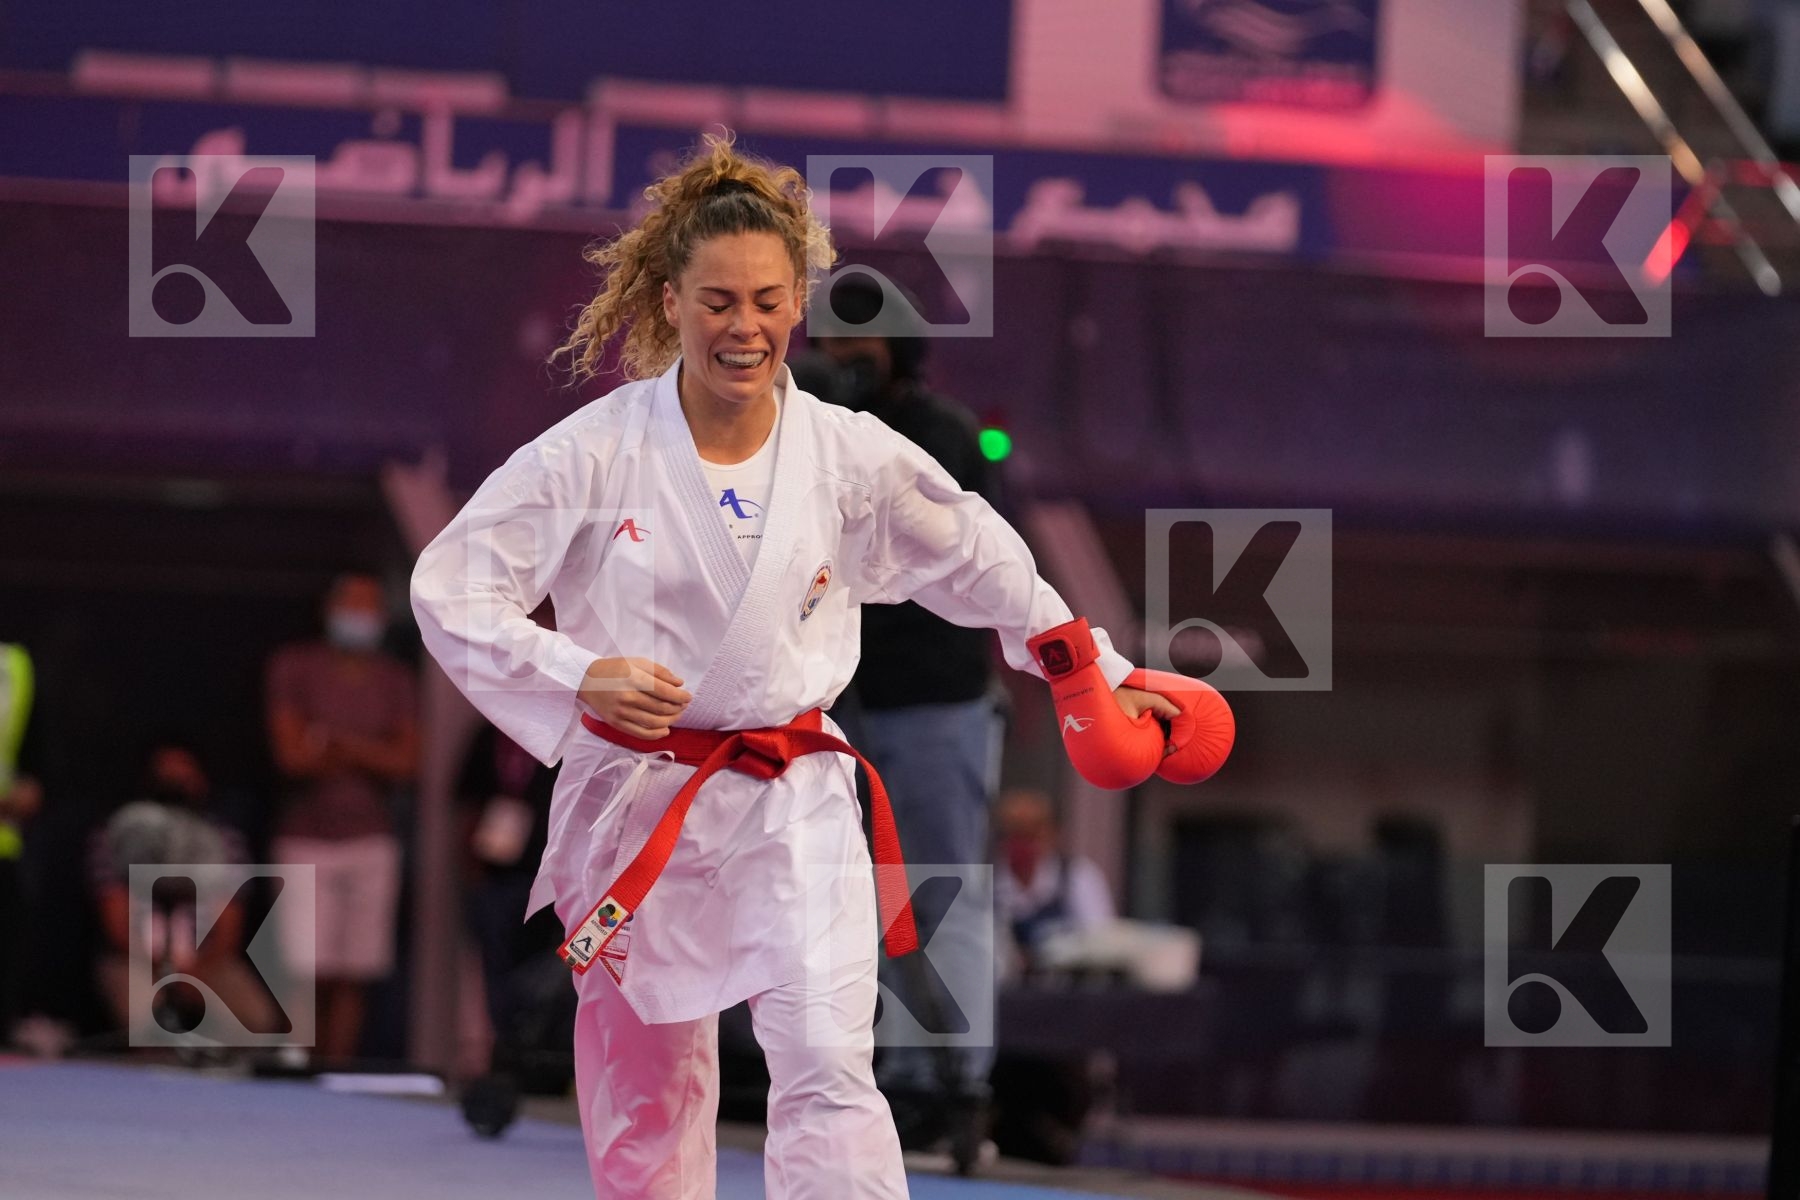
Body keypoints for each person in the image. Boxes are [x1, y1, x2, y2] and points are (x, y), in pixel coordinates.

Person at [410, 132, 1174, 1199]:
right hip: (640, 796)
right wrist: (574, 674)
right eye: (719, 301)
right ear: (669, 300)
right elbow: (451, 585)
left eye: (769, 301)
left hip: (794, 796)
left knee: (827, 1061)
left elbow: (975, 554)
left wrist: (1084, 661)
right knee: (650, 1090)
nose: (747, 327)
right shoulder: (592, 453)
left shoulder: (843, 451)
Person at [790, 280, 1005, 1148]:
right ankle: (872, 1070)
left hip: (936, 707)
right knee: (846, 896)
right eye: (829, 345)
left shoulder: (942, 433)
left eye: (859, 347)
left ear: (900, 353)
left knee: (938, 891)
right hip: (842, 704)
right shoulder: (807, 431)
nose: (837, 361)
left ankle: (946, 1077)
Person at [265, 572, 417, 1064]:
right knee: (303, 965)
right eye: (351, 605)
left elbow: (408, 762)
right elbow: (292, 757)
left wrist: (338, 743)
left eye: (370, 607)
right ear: (329, 610)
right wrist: (373, 750)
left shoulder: (396, 679)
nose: (360, 617)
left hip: (370, 840)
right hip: (305, 838)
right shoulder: (295, 666)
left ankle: (336, 1069)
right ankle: (295, 1064)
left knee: (356, 968)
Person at [88, 737, 279, 1040]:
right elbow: (116, 922)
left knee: (255, 1019)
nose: (176, 789)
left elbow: (229, 928)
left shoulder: (225, 842)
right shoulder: (117, 837)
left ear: (202, 783)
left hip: (205, 962)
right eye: (166, 780)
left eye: (184, 779)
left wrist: (195, 973)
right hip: (137, 958)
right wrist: (164, 970)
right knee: (145, 1020)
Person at [993, 788, 1115, 978]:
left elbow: (1101, 942)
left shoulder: (1078, 877)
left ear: (1051, 834)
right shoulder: (986, 886)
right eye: (1014, 834)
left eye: (1030, 835)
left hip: (1066, 996)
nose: (1022, 844)